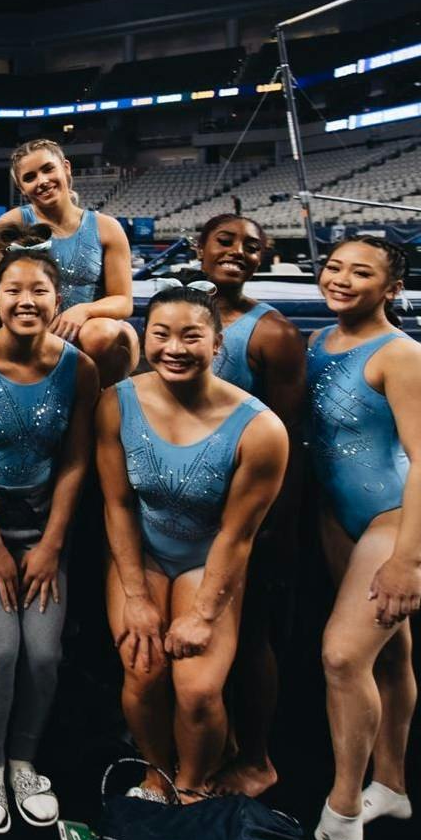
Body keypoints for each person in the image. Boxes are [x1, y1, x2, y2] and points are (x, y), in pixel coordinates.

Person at [97, 285, 288, 803]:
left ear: (217, 344)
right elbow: (117, 505)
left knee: (199, 690)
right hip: (144, 554)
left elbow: (236, 535)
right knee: (143, 672)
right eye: (161, 335)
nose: (174, 349)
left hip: (209, 559)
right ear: (144, 339)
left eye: (191, 337)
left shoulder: (261, 430)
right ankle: (156, 775)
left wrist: (203, 613)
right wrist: (136, 596)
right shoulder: (117, 404)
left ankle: (193, 785)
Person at [0, 223, 98, 833]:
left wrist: (52, 545)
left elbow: (76, 461)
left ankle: (24, 760)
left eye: (39, 291)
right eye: (13, 291)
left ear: (58, 299)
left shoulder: (80, 370)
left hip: (45, 531)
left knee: (45, 652)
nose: (26, 301)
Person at [306, 236, 421, 840]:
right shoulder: (318, 342)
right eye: (334, 267)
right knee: (389, 654)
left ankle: (343, 809)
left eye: (360, 273)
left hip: (399, 520)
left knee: (342, 657)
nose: (340, 279)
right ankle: (391, 786)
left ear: (391, 288)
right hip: (343, 519)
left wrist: (407, 559)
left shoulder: (403, 355)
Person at [192, 214, 305, 798]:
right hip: (188, 505)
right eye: (225, 241)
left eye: (251, 247)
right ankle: (215, 741)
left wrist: (275, 526)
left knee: (250, 634)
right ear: (200, 248)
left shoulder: (273, 333)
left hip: (243, 513)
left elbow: (289, 440)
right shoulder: (184, 314)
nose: (238, 251)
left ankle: (257, 758)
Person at [0, 139, 136, 384]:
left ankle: (105, 399)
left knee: (102, 333)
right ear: (21, 188)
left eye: (48, 169)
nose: (42, 181)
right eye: (30, 177)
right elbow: (0, 296)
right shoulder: (10, 224)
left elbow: (123, 301)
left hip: (90, 335)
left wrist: (83, 311)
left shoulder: (107, 228)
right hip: (31, 330)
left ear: (66, 168)